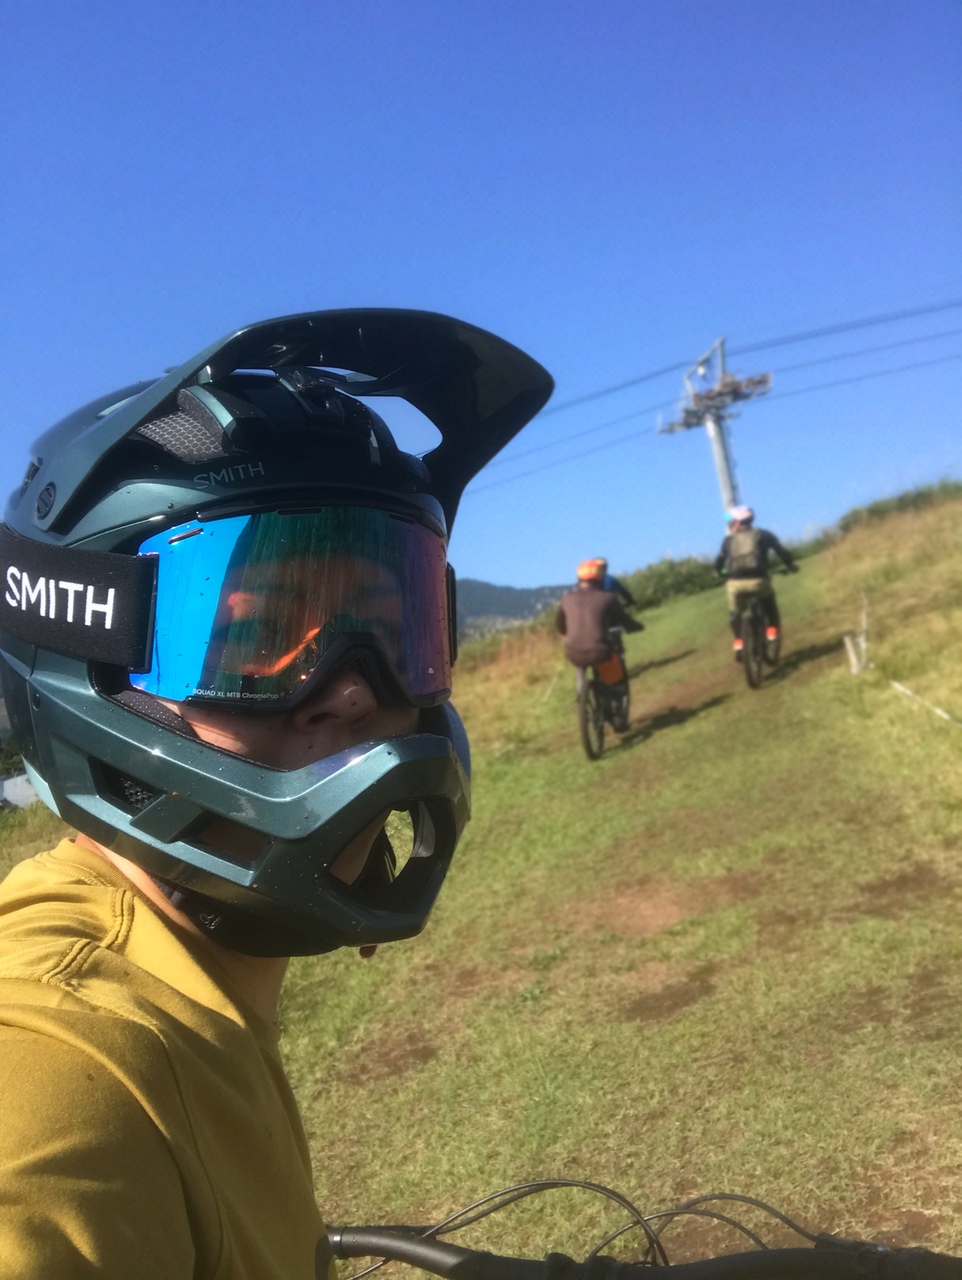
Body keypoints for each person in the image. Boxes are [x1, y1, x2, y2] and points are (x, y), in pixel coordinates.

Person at [0, 308, 552, 1279]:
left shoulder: (194, 979)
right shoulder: (64, 1073)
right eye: (256, 631)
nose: (355, 690)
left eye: (395, 628)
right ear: (86, 654)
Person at [555, 559, 643, 725]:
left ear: (579, 580)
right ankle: (617, 711)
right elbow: (624, 620)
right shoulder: (607, 598)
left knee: (580, 664)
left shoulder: (566, 599)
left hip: (573, 652)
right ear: (600, 580)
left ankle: (581, 693)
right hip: (600, 650)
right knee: (615, 672)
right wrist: (636, 627)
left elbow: (560, 627)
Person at [714, 505, 798, 659]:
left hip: (735, 584)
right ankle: (772, 632)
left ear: (737, 522)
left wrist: (723, 573)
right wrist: (790, 565)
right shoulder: (764, 535)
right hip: (759, 581)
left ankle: (739, 642)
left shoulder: (728, 540)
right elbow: (782, 552)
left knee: (735, 612)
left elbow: (719, 563)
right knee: (770, 605)